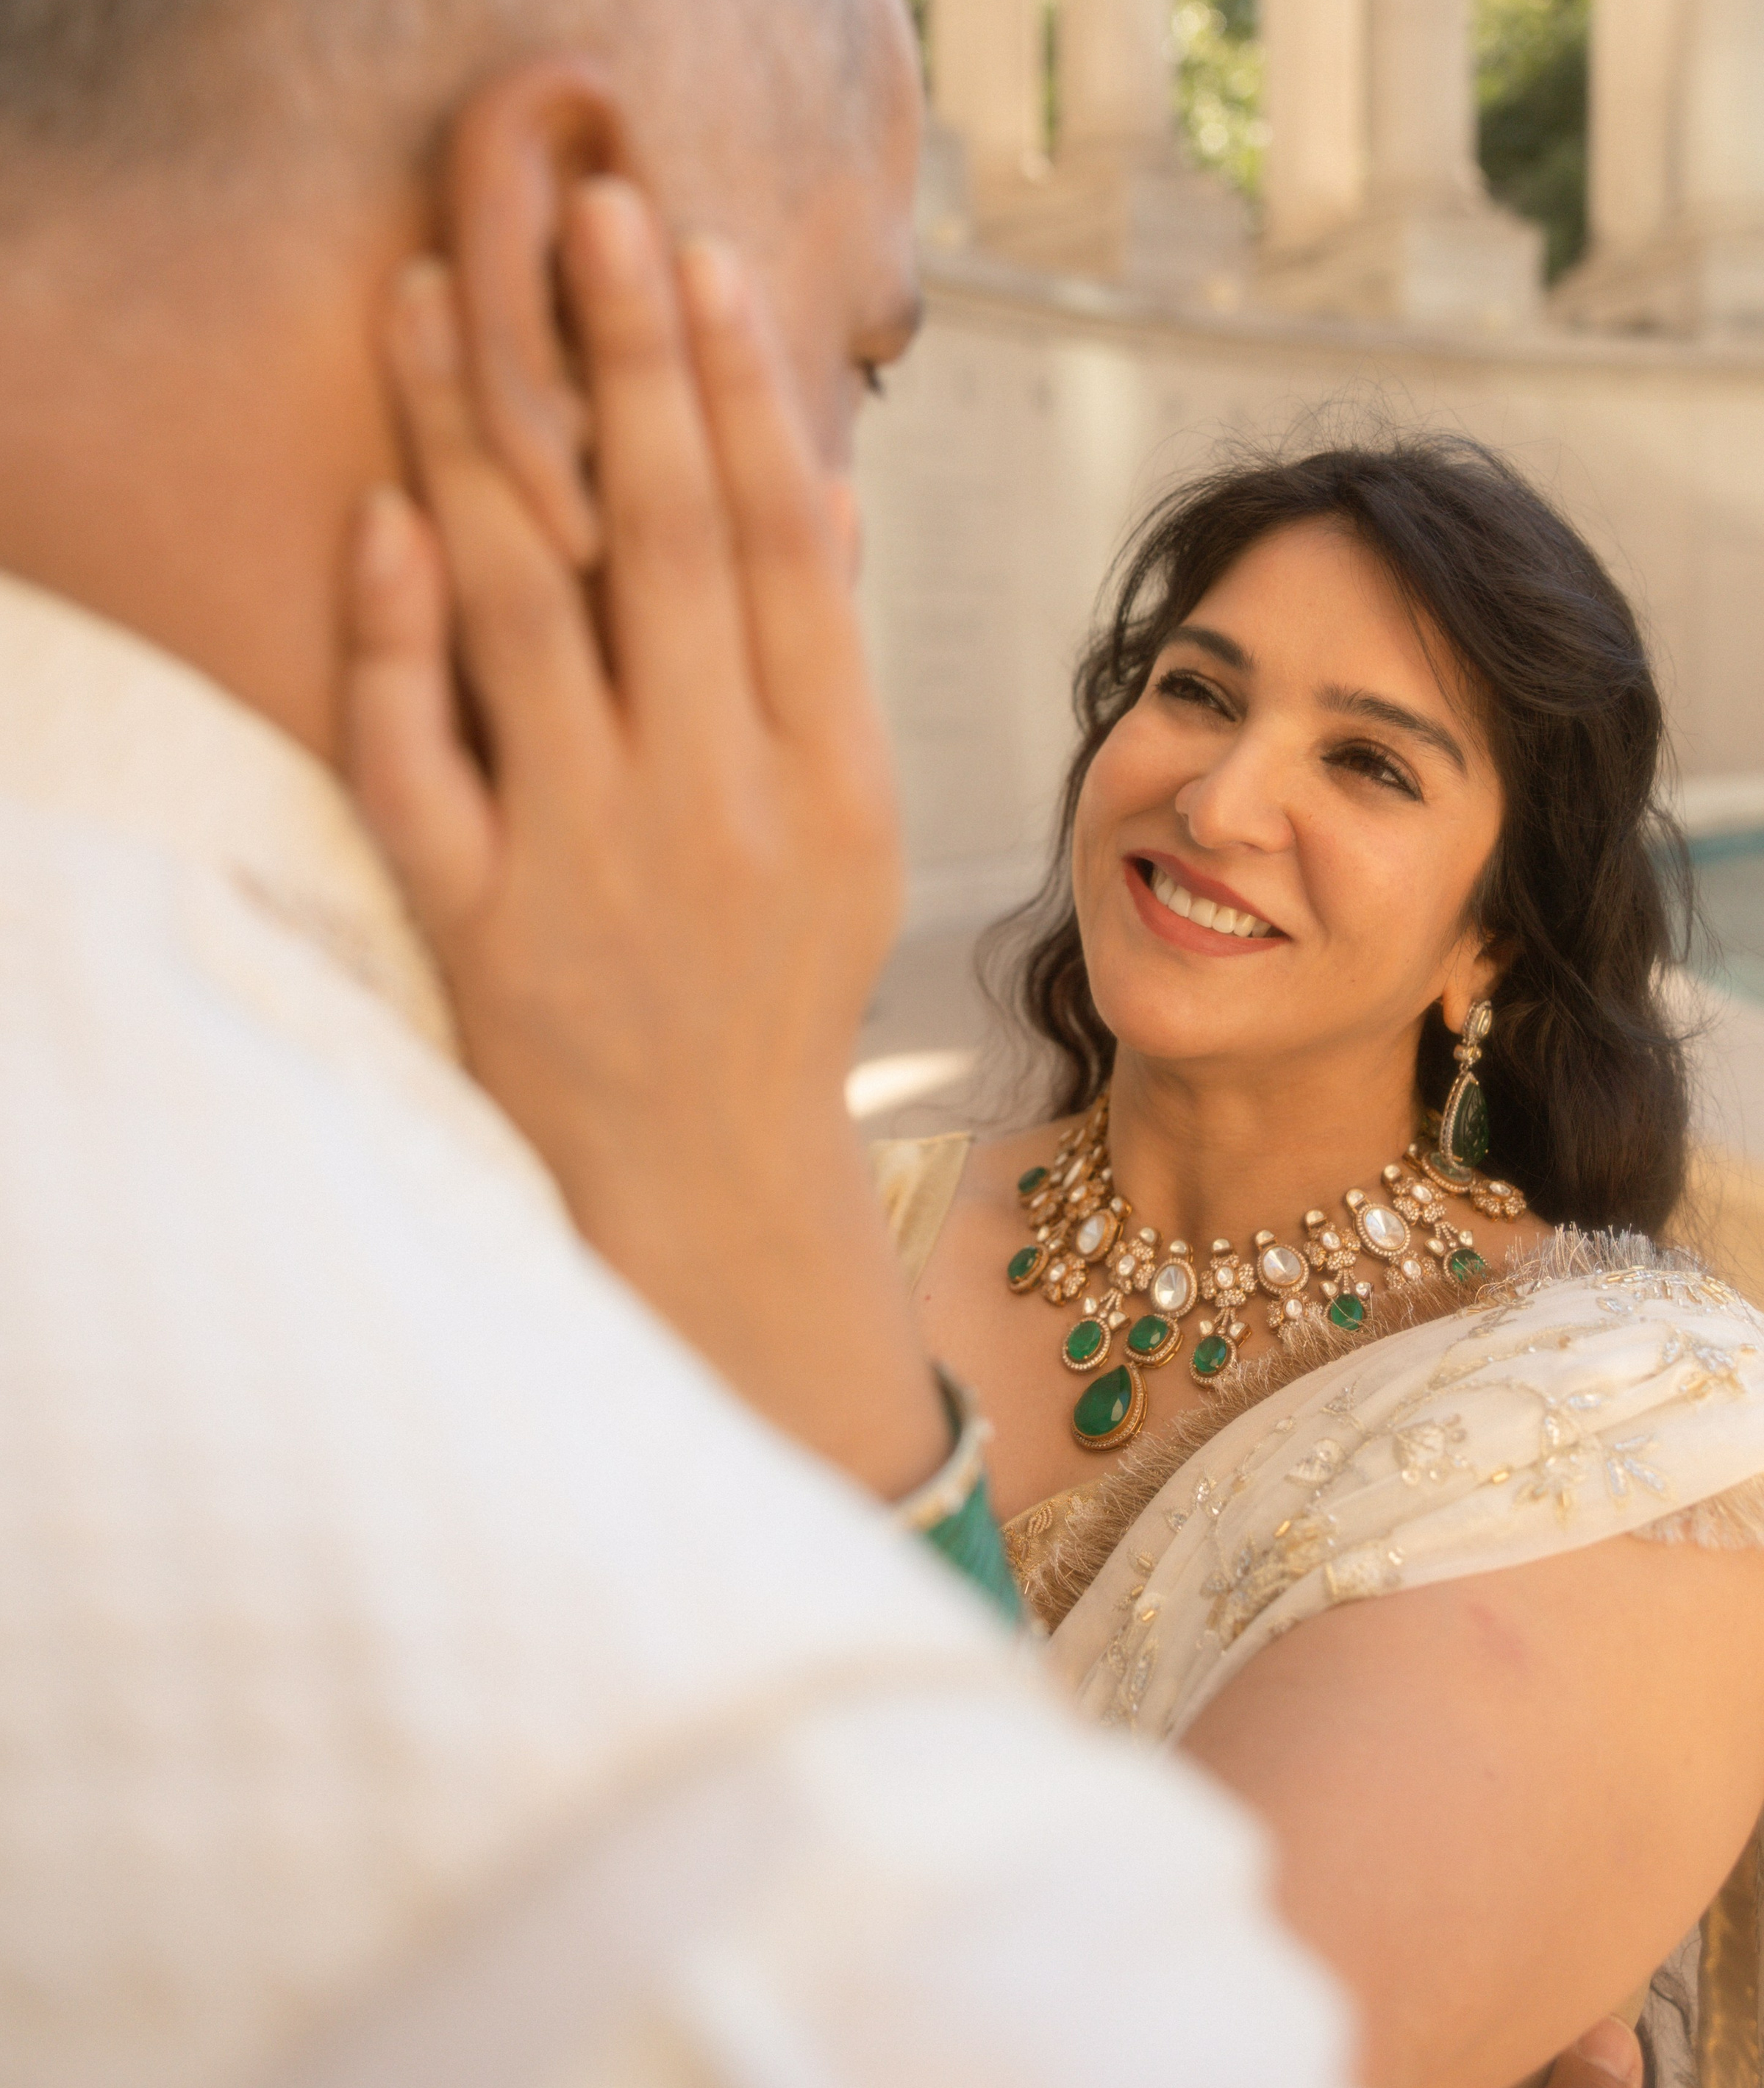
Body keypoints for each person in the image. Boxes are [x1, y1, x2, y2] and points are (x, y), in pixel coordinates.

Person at [0, 0, 1351, 2080]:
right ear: (576, 277)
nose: (840, 519)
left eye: (1369, 754)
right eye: (851, 360)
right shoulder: (778, 1857)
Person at [354, 327, 1764, 2087]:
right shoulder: (839, 1211)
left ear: (1489, 938)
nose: (1222, 794)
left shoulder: (1622, 1422)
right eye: (1196, 688)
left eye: (1370, 764)